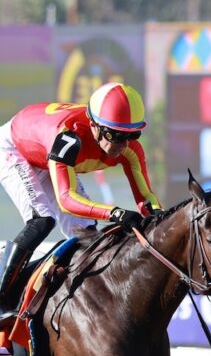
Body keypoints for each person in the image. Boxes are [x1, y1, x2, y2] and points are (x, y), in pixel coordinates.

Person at [0, 82, 161, 326]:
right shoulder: (68, 136)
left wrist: (160, 218)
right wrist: (115, 213)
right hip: (15, 148)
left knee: (87, 234)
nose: (121, 144)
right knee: (42, 220)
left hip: (45, 155)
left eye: (131, 135)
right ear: (94, 126)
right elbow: (66, 199)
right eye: (113, 134)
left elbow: (145, 197)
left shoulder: (130, 149)